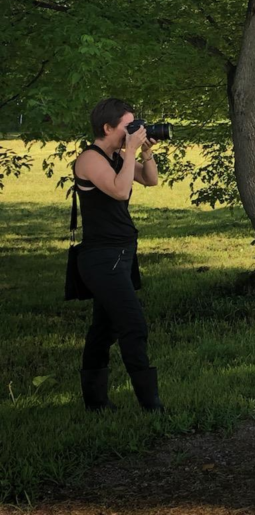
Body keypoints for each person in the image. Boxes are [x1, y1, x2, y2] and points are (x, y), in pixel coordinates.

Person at [71, 98, 164, 412]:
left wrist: (145, 152)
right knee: (133, 325)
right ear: (108, 127)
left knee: (105, 328)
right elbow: (119, 190)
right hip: (101, 257)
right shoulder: (90, 159)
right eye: (128, 125)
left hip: (122, 254)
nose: (134, 130)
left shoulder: (114, 157)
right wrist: (132, 152)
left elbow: (150, 180)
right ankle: (152, 407)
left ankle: (95, 404)